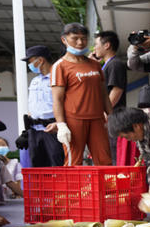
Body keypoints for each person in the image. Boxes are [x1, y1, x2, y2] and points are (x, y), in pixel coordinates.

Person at [47, 23, 113, 166]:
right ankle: (74, 189)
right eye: (75, 38)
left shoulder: (95, 64)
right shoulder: (60, 66)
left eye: (83, 38)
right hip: (73, 120)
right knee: (73, 163)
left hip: (97, 119)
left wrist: (112, 117)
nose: (80, 42)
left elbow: (103, 94)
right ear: (64, 40)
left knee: (105, 161)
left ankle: (105, 189)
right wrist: (62, 124)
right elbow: (57, 99)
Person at [19, 45, 64, 167]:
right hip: (34, 132)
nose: (29, 64)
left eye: (30, 61)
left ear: (40, 60)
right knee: (37, 170)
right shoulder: (35, 81)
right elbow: (32, 108)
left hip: (52, 130)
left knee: (57, 167)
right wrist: (26, 133)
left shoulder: (58, 78)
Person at [94, 30, 128, 160]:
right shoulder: (106, 65)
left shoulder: (115, 64)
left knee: (113, 154)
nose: (94, 48)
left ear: (107, 45)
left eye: (96, 44)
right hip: (108, 117)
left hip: (112, 117)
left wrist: (105, 112)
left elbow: (117, 90)